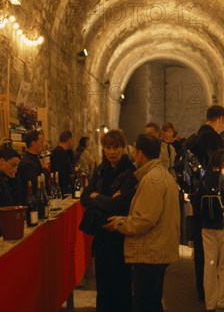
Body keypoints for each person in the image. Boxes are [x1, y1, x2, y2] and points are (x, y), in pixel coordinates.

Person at [104, 134, 180, 312]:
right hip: (157, 250)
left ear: (140, 153)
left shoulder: (152, 179)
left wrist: (119, 223)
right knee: (152, 303)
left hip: (150, 253)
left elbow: (144, 219)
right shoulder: (161, 174)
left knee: (145, 304)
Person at [80, 130, 137, 312]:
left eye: (116, 147)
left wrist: (97, 198)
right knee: (103, 284)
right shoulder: (100, 169)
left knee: (121, 284)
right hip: (101, 236)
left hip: (119, 235)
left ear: (123, 148)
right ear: (104, 149)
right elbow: (84, 197)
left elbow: (119, 205)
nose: (112, 152)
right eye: (108, 147)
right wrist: (105, 199)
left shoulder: (130, 172)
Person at [188, 105, 224, 301]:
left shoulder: (196, 138)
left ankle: (201, 288)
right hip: (211, 198)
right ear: (220, 118)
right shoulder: (213, 138)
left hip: (196, 196)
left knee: (201, 242)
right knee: (211, 247)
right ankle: (210, 292)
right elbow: (220, 169)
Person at [197, 149, 224, 312]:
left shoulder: (203, 181)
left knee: (209, 266)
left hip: (207, 229)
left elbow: (196, 207)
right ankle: (222, 302)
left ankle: (210, 304)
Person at [18, 130, 49, 203]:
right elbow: (37, 184)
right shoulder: (27, 163)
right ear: (33, 143)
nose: (43, 145)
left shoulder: (34, 158)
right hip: (32, 203)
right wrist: (45, 169)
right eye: (41, 142)